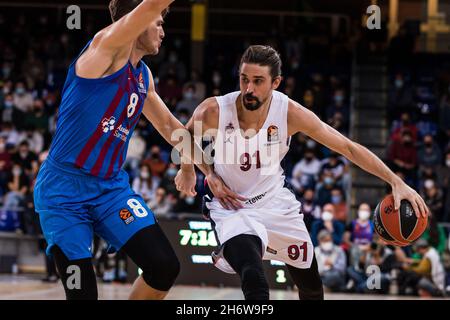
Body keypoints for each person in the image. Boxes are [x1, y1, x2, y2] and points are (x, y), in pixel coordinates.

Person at [175, 45, 428, 300]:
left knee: (311, 287)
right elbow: (184, 136)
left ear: (276, 83)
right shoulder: (214, 110)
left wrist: (395, 181)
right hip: (231, 206)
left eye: (258, 81)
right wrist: (196, 171)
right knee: (254, 277)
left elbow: (348, 148)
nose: (248, 89)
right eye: (244, 79)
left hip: (274, 203)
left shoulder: (290, 114)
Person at [34, 0, 240, 300]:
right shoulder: (103, 50)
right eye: (158, 22)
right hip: (63, 192)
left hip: (109, 189)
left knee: (164, 266)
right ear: (137, 20)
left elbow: (172, 128)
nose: (163, 31)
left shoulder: (143, 76)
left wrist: (209, 172)